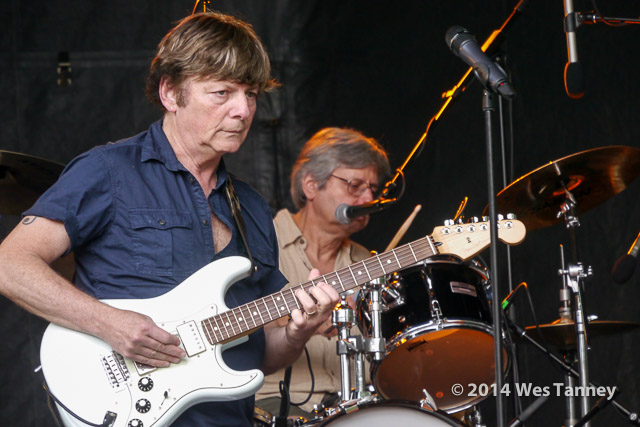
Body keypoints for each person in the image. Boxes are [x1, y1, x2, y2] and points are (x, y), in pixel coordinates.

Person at [0, 11, 338, 427]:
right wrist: (108, 324)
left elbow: (259, 354)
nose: (242, 110)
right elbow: (9, 264)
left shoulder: (250, 206)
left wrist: (296, 333)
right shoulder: (109, 171)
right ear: (171, 93)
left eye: (250, 94)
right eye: (222, 92)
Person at [255, 127, 390, 418]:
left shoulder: (369, 262)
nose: (369, 198)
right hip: (274, 407)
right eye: (355, 185)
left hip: (357, 408)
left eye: (373, 189)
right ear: (311, 185)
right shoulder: (259, 246)